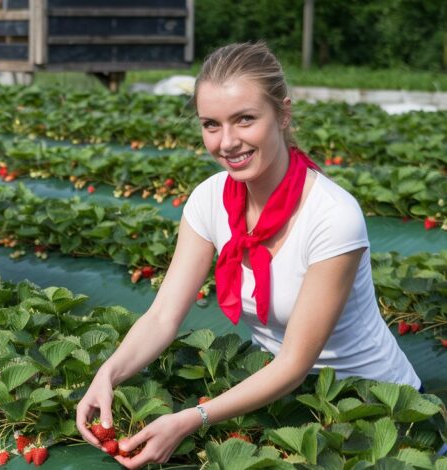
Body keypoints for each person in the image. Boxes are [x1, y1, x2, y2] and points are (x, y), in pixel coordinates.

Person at [75, 42, 421, 469]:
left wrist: (192, 418)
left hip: (373, 406)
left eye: (245, 119)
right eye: (211, 124)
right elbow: (164, 315)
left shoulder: (332, 216)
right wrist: (106, 376)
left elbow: (295, 362)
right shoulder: (209, 201)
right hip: (287, 401)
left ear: (283, 114)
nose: (227, 142)